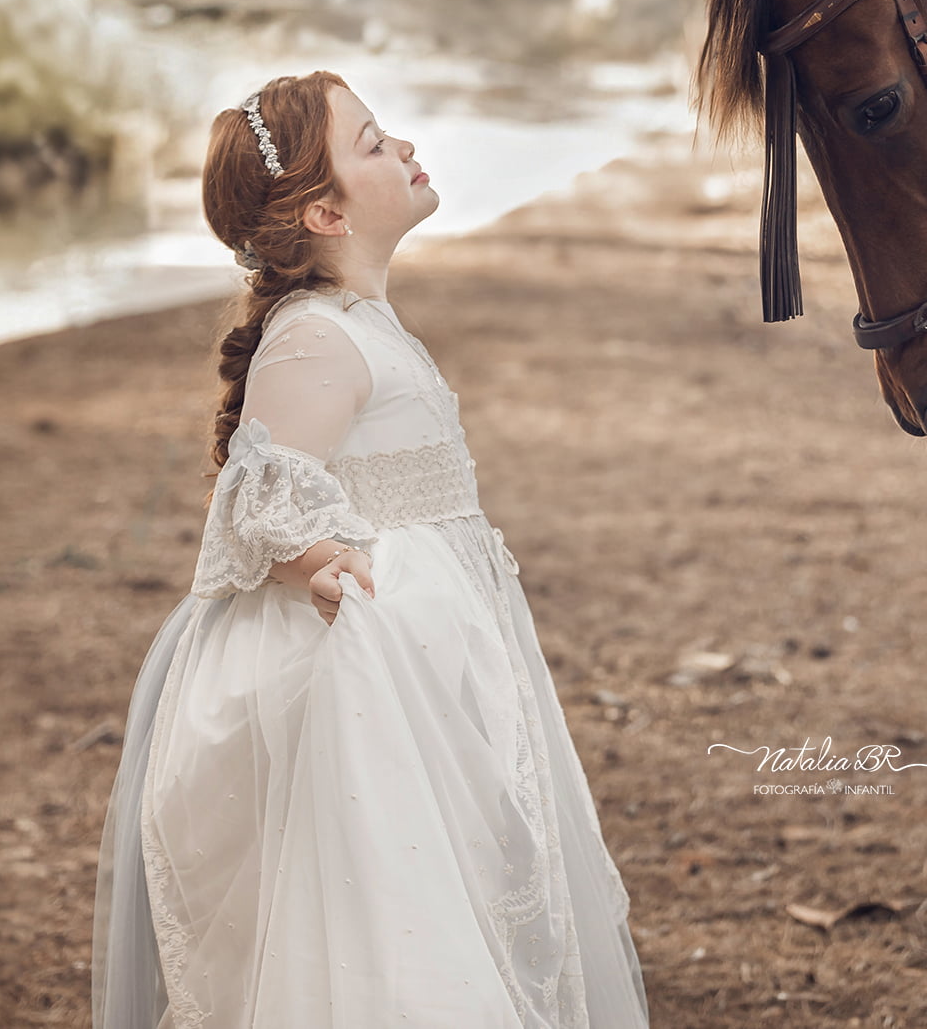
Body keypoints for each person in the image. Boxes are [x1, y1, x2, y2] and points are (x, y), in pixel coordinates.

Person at [91, 71, 649, 1029]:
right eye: (373, 142)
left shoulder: (362, 326)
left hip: (432, 645)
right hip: (364, 667)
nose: (403, 147)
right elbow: (261, 489)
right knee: (384, 907)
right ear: (326, 212)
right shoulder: (313, 339)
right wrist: (320, 560)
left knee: (469, 863)